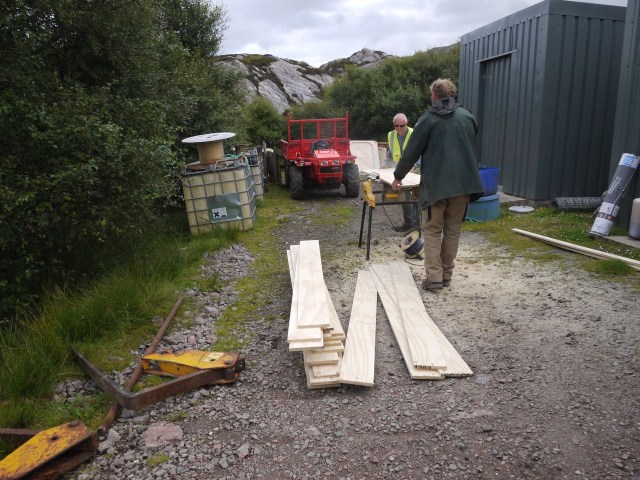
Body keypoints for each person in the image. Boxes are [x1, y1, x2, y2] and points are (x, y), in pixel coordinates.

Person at [391, 78, 484, 291]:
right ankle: (446, 276)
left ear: (434, 96)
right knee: (453, 231)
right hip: (463, 185)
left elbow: (412, 151)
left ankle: (434, 278)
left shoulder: (428, 119)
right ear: (453, 95)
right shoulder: (468, 117)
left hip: (436, 187)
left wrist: (398, 176)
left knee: (433, 230)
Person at [386, 113, 419, 232]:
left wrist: (414, 166)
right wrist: (386, 165)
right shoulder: (391, 135)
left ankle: (416, 224)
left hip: (414, 170)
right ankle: (409, 223)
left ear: (406, 124)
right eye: (396, 125)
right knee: (404, 196)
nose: (399, 128)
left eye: (402, 125)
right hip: (400, 171)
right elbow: (390, 153)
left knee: (415, 197)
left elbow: (421, 152)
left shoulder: (414, 133)